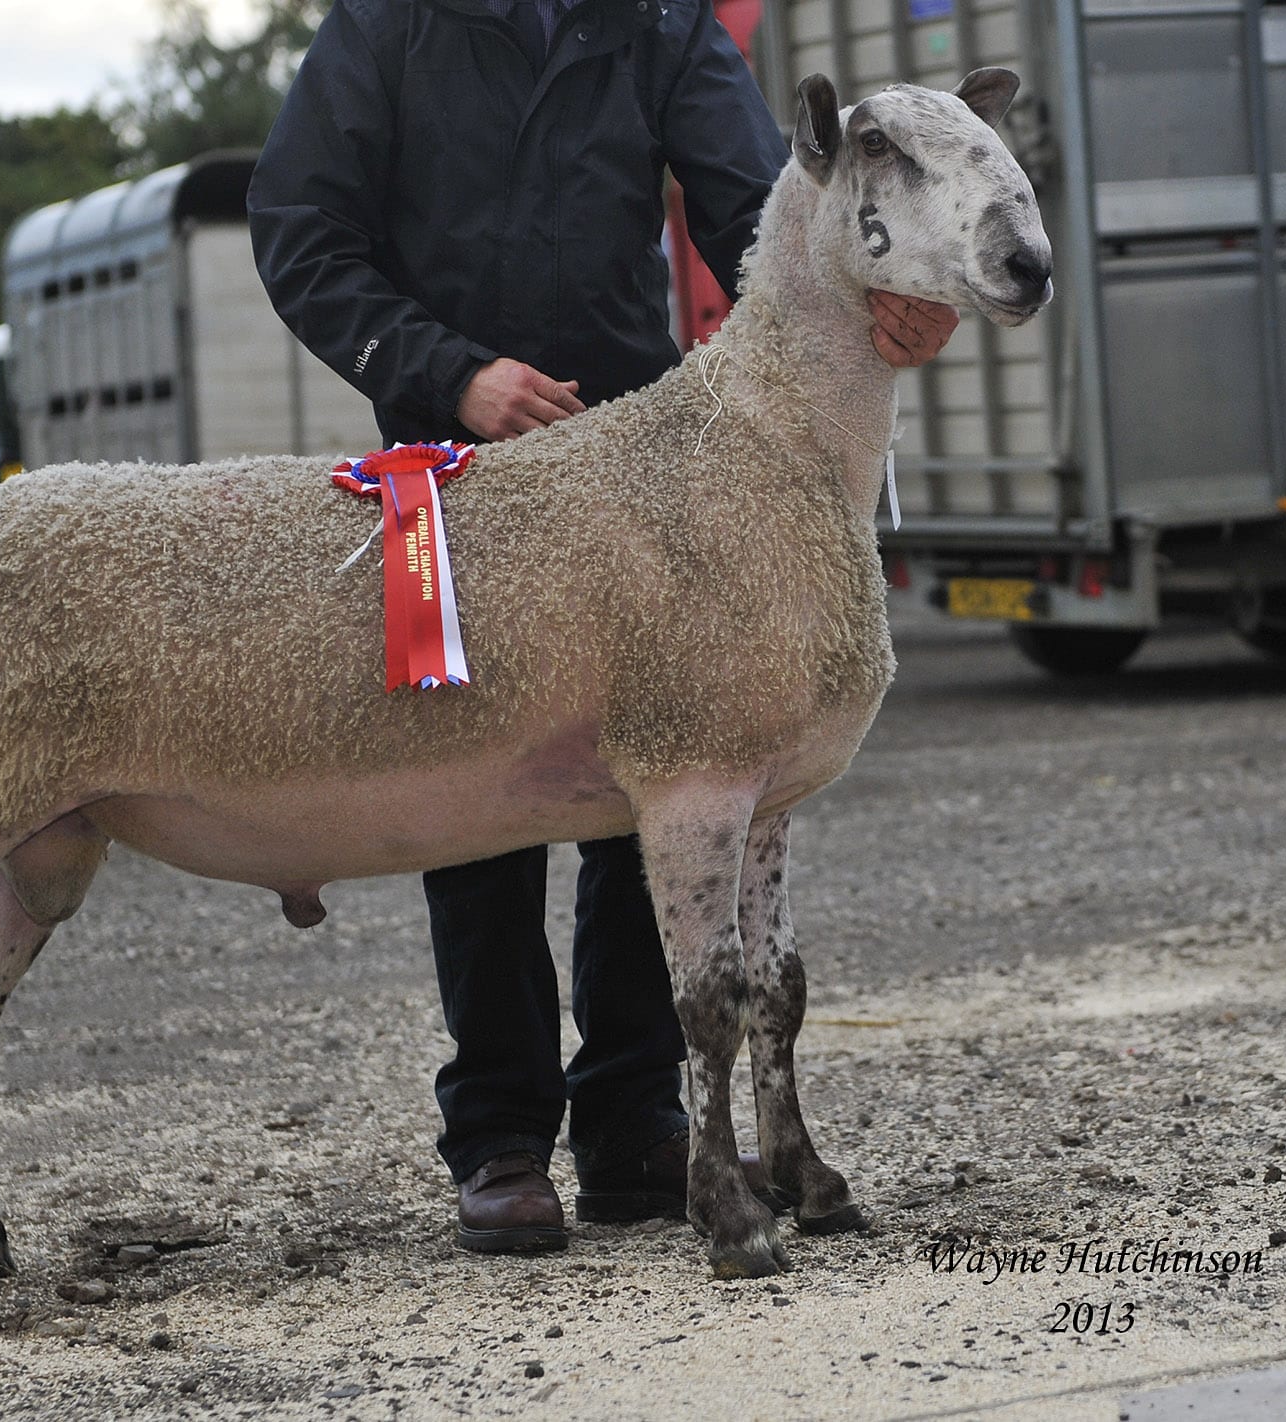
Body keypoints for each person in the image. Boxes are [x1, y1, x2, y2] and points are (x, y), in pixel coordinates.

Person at [249, 0, 955, 1254]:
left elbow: (762, 197)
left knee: (669, 784)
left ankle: (634, 1123)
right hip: (450, 462)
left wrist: (867, 290)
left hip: (642, 455)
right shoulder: (385, 26)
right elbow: (301, 229)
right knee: (477, 800)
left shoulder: (658, 20)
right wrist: (446, 368)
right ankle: (501, 1136)